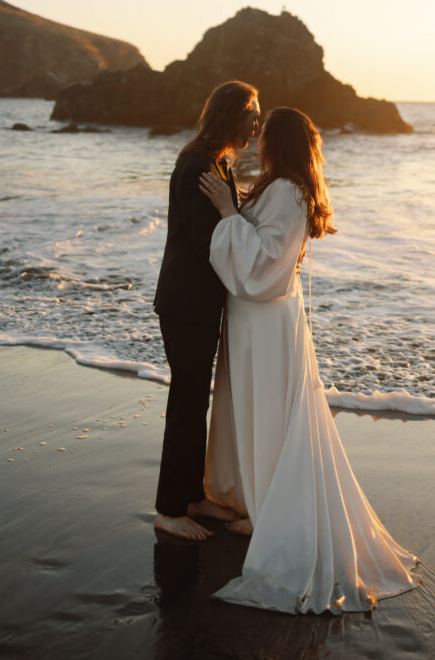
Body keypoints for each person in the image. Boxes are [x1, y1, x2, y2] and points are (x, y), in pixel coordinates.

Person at [199, 107, 421, 613]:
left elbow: (262, 265)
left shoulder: (283, 190)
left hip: (265, 319)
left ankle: (271, 512)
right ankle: (262, 503)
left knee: (268, 409)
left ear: (280, 142)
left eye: (265, 137)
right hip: (271, 319)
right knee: (270, 409)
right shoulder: (295, 188)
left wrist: (228, 214)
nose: (256, 144)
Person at [154, 80, 260, 540]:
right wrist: (237, 224)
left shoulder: (215, 159)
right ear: (231, 115)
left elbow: (220, 229)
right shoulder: (199, 163)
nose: (257, 120)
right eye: (252, 112)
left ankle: (193, 496)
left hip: (197, 299)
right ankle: (169, 509)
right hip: (186, 302)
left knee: (196, 398)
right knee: (187, 401)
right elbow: (206, 241)